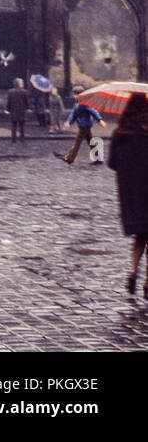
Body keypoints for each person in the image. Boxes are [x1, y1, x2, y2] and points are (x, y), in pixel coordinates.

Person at [108, 92, 148, 297]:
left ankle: (133, 272)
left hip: (130, 193)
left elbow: (112, 163)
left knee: (139, 235)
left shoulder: (119, 132)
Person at [60, 95, 108, 165]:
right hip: (84, 125)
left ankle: (70, 158)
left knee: (77, 142)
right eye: (75, 94)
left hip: (84, 126)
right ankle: (98, 159)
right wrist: (69, 122)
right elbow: (73, 114)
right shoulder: (77, 104)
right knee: (91, 142)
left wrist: (99, 120)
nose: (75, 96)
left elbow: (93, 111)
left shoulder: (85, 103)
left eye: (77, 94)